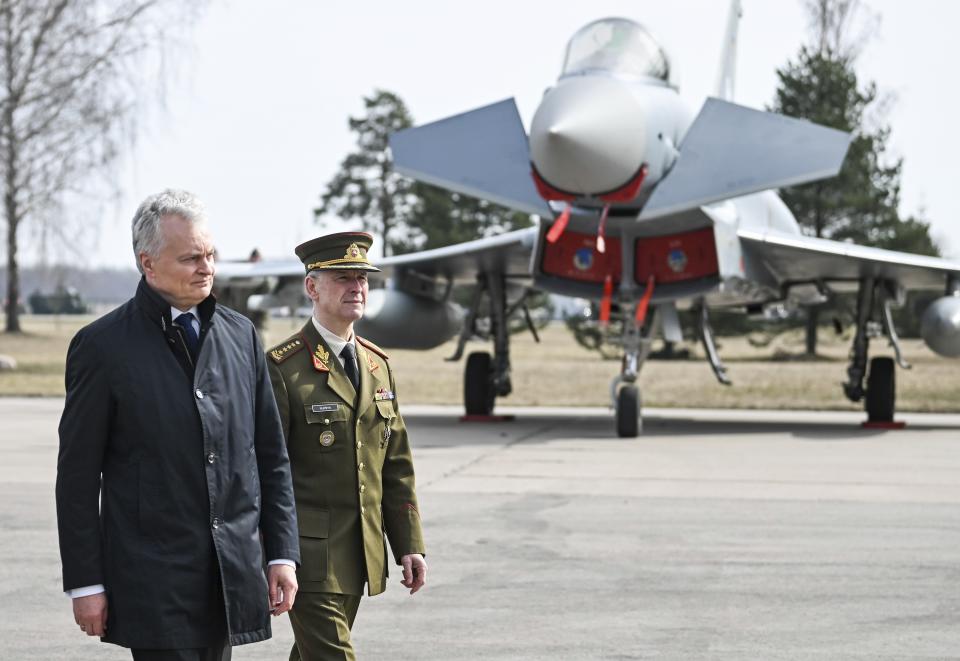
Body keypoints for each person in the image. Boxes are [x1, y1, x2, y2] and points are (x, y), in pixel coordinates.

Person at [56, 189, 300, 660]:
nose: (206, 267)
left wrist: (281, 555)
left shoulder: (240, 335)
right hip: (153, 582)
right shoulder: (101, 347)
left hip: (229, 576)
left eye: (210, 254)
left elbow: (270, 456)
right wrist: (85, 583)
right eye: (191, 258)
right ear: (148, 264)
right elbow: (78, 478)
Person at [266, 232, 426, 660]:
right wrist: (274, 554)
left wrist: (407, 542)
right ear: (312, 287)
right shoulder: (283, 367)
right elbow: (267, 469)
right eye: (342, 277)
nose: (356, 286)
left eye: (362, 277)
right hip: (307, 556)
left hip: (359, 550)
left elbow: (395, 464)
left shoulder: (378, 366)